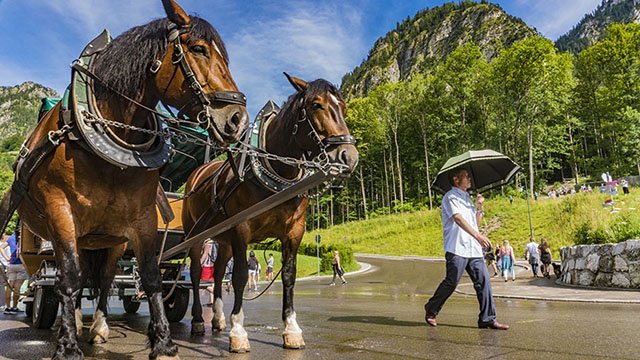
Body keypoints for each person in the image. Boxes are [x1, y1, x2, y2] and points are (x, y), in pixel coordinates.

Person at [424, 168, 509, 330]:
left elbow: (474, 224)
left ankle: (487, 318)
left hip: (473, 250)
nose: (470, 179)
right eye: (466, 177)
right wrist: (478, 236)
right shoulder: (450, 197)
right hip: (456, 247)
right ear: (456, 180)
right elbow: (458, 219)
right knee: (451, 282)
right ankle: (431, 308)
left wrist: (479, 207)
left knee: (484, 282)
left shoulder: (468, 199)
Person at [1, 232, 28, 314]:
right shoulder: (25, 235)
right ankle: (15, 307)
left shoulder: (12, 237)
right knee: (17, 287)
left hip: (12, 264)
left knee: (10, 286)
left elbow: (1, 247)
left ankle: (8, 307)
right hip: (21, 264)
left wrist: (7, 258)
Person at [200, 239, 216, 306]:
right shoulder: (214, 242)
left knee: (202, 284)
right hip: (213, 265)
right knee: (212, 283)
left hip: (206, 266)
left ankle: (216, 293)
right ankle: (211, 301)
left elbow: (205, 254)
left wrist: (200, 263)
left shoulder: (207, 243)